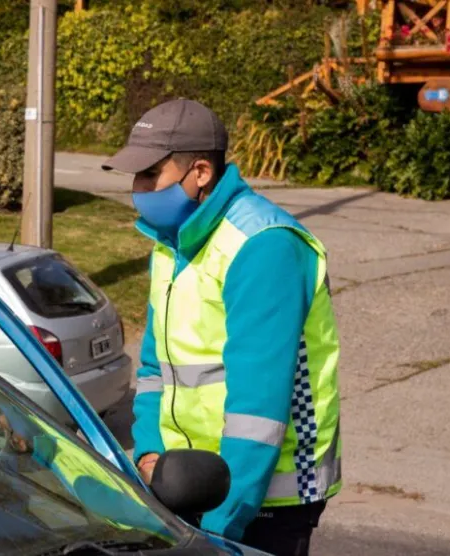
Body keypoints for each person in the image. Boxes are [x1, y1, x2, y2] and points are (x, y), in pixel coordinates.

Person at [102, 99, 341, 556]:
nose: (138, 189)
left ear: (201, 173)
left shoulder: (262, 245)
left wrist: (219, 528)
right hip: (185, 484)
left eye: (151, 175)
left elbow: (260, 409)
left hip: (263, 498)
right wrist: (151, 457)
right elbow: (155, 368)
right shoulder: (171, 244)